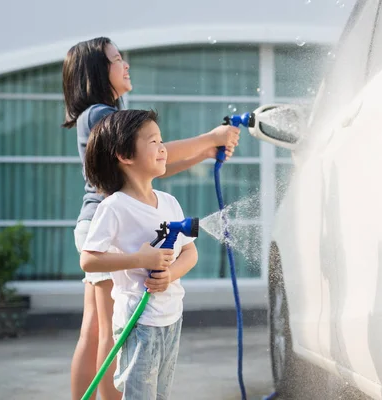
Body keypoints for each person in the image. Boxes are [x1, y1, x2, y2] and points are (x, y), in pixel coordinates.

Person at [62, 37, 239, 400]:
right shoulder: (100, 114)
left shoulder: (99, 114)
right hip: (112, 229)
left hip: (96, 223)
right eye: (116, 60)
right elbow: (156, 157)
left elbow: (157, 167)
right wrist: (210, 137)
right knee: (114, 334)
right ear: (97, 71)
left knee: (95, 330)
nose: (125, 65)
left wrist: (206, 151)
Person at [80, 109, 197, 399]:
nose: (162, 148)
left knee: (160, 394)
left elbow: (190, 253)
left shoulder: (169, 202)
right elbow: (89, 260)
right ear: (125, 155)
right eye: (153, 141)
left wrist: (171, 275)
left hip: (171, 316)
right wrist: (139, 260)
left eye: (162, 140)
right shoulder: (114, 207)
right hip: (138, 320)